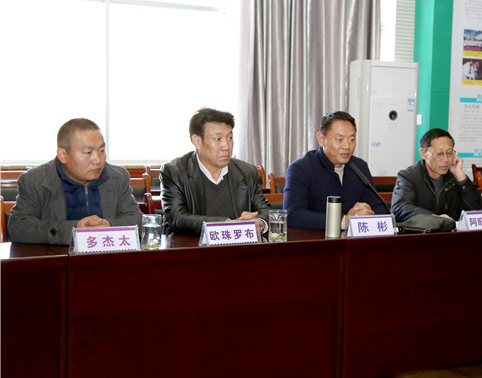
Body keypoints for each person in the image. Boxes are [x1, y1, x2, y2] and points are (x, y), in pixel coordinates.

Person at [7, 118, 142, 245]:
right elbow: (18, 227)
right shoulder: (35, 180)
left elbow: (137, 219)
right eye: (88, 152)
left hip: (107, 256)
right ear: (63, 155)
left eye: (101, 150)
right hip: (57, 257)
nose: (98, 159)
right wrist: (73, 230)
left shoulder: (117, 177)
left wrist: (109, 226)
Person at [160, 108, 270, 236]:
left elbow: (265, 210)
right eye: (218, 139)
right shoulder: (175, 171)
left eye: (229, 138)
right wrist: (226, 225)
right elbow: (176, 218)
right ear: (197, 141)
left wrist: (261, 222)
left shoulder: (246, 172)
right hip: (190, 245)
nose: (226, 146)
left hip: (238, 246)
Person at [283, 111, 388, 230]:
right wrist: (344, 221)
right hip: (315, 239)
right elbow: (293, 214)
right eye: (339, 139)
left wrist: (366, 213)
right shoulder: (301, 169)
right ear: (322, 139)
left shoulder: (359, 167)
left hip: (353, 240)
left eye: (352, 139)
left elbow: (380, 207)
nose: (347, 146)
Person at [391, 128, 482, 225]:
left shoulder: (455, 177)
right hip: (421, 233)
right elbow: (399, 208)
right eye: (439, 154)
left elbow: (479, 212)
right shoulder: (409, 176)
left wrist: (462, 179)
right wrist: (434, 218)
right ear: (423, 153)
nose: (445, 159)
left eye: (449, 153)